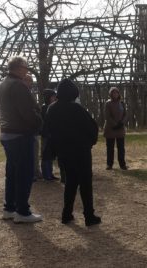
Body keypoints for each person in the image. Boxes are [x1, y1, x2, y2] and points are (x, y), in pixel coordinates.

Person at [42, 79, 101, 226]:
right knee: (85, 183)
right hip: (80, 150)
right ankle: (89, 215)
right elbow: (92, 126)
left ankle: (66, 214)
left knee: (70, 182)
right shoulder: (76, 108)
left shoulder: (52, 108)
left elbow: (48, 129)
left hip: (64, 151)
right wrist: (90, 142)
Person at [0, 56, 43, 223]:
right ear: (18, 67)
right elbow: (27, 113)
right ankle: (22, 211)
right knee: (24, 173)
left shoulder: (2, 84)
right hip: (20, 134)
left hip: (7, 133)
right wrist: (39, 122)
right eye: (26, 67)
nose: (27, 70)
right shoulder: (18, 86)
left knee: (12, 173)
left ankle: (9, 208)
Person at [23, 74, 43, 181]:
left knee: (35, 152)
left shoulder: (28, 93)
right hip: (29, 130)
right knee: (30, 153)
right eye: (28, 81)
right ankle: (33, 173)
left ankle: (35, 171)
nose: (30, 83)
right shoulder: (24, 94)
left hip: (33, 130)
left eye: (31, 81)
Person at [103, 87, 128, 170]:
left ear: (118, 94)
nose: (115, 94)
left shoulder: (122, 103)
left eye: (116, 93)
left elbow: (125, 114)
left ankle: (122, 164)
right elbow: (107, 116)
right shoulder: (108, 103)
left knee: (121, 148)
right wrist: (114, 124)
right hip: (110, 128)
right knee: (110, 148)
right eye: (113, 93)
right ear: (110, 94)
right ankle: (109, 164)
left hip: (120, 128)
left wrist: (122, 123)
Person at [41, 89, 59, 181]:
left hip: (52, 134)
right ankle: (46, 174)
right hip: (46, 134)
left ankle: (50, 173)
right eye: (53, 96)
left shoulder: (53, 107)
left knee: (51, 155)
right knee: (45, 154)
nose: (55, 98)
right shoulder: (44, 108)